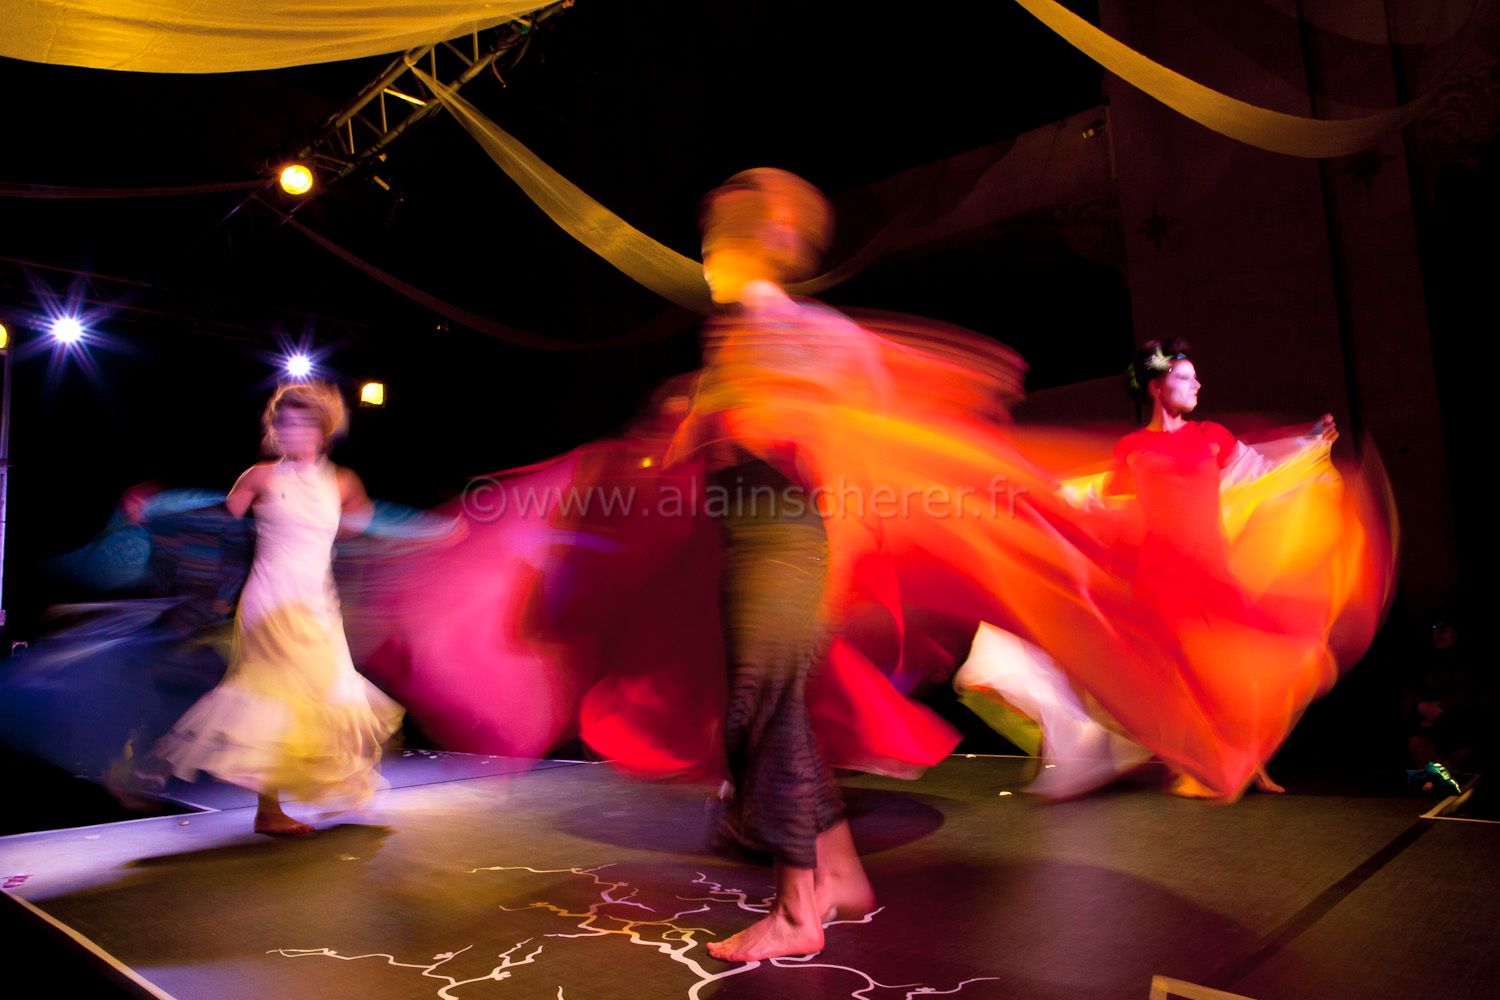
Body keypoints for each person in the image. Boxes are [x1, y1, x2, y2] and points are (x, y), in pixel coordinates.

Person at [670, 169, 882, 962]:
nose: (704, 261)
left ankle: (796, 912)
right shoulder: (757, 329)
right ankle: (842, 876)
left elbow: (799, 427)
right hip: (773, 547)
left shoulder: (764, 324)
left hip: (777, 550)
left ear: (748, 243)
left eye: (711, 244)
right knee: (780, 711)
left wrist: (728, 416)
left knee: (763, 718)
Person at [151, 381, 401, 835]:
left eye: (302, 423)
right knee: (275, 695)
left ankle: (311, 793)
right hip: (269, 602)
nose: (291, 431)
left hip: (317, 604)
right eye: (283, 423)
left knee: (321, 693)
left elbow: (364, 528)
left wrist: (425, 538)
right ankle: (268, 809)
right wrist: (159, 511)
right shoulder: (260, 476)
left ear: (322, 431)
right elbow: (217, 520)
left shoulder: (342, 482)